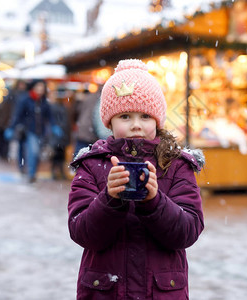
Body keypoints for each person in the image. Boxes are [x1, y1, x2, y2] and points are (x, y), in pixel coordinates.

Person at [68, 59, 205, 299]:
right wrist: (109, 199)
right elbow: (82, 232)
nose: (136, 126)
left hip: (161, 291)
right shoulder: (91, 165)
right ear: (109, 122)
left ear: (157, 119)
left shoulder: (176, 165)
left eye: (144, 116)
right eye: (125, 117)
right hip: (105, 290)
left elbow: (188, 231)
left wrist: (154, 201)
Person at [5, 79, 62, 183]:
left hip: (41, 132)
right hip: (29, 131)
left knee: (37, 153)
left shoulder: (44, 102)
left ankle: (32, 172)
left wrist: (54, 126)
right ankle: (31, 174)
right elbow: (17, 115)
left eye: (42, 87)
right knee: (33, 152)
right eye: (38, 87)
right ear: (33, 87)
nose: (40, 89)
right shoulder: (25, 100)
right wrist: (11, 127)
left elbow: (49, 116)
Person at [48, 87, 70, 180]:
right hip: (57, 135)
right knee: (56, 154)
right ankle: (54, 171)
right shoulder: (54, 107)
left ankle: (60, 171)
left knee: (61, 154)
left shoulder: (65, 107)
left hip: (63, 135)